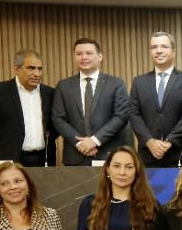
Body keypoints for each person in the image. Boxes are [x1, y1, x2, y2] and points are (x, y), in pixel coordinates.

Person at [51, 38, 131, 166]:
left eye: (89, 53)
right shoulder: (63, 86)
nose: (84, 57)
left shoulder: (116, 84)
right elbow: (58, 119)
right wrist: (80, 143)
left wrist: (94, 140)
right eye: (79, 54)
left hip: (108, 155)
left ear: (100, 56)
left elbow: (121, 116)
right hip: (76, 155)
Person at [126, 32, 182, 168]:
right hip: (148, 155)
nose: (159, 50)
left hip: (180, 155)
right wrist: (149, 141)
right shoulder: (139, 82)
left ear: (173, 52)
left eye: (164, 46)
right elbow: (133, 114)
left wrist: (169, 141)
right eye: (154, 47)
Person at [0, 49, 56, 167]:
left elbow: (56, 125)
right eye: (31, 68)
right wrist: (2, 141)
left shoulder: (50, 93)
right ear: (17, 69)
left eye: (39, 69)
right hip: (8, 159)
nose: (37, 74)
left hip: (43, 160)